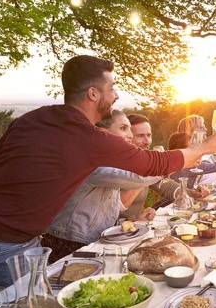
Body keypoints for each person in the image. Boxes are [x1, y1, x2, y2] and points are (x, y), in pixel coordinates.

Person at [0, 55, 216, 287]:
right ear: (93, 94)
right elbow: (151, 165)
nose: (116, 95)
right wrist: (202, 149)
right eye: (112, 88)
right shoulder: (87, 137)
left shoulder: (33, 118)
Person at [41, 110, 161, 262]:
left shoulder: (110, 162)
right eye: (123, 128)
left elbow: (106, 212)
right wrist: (178, 161)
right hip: (70, 247)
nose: (130, 135)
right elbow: (138, 177)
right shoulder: (93, 163)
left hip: (91, 244)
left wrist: (133, 218)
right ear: (103, 133)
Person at [122, 114, 211, 216]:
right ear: (127, 138)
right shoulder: (117, 166)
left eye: (149, 135)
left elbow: (167, 186)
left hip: (137, 225)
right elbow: (117, 208)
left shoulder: (145, 161)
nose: (147, 142)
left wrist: (191, 193)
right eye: (140, 136)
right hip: (115, 228)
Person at [153, 132, 216, 207]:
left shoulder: (183, 163)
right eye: (192, 147)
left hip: (183, 203)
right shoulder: (187, 166)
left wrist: (194, 190)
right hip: (167, 207)